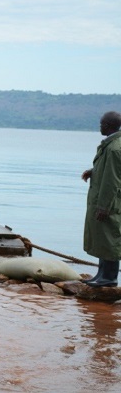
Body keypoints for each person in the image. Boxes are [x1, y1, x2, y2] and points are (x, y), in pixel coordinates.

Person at [81, 111, 121, 287]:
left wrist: (104, 207)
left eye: (101, 124)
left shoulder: (114, 149)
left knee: (109, 239)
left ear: (108, 126)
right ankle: (101, 274)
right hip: (102, 199)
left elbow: (112, 180)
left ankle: (110, 277)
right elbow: (110, 169)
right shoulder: (110, 145)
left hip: (109, 202)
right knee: (102, 238)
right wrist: (93, 171)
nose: (100, 127)